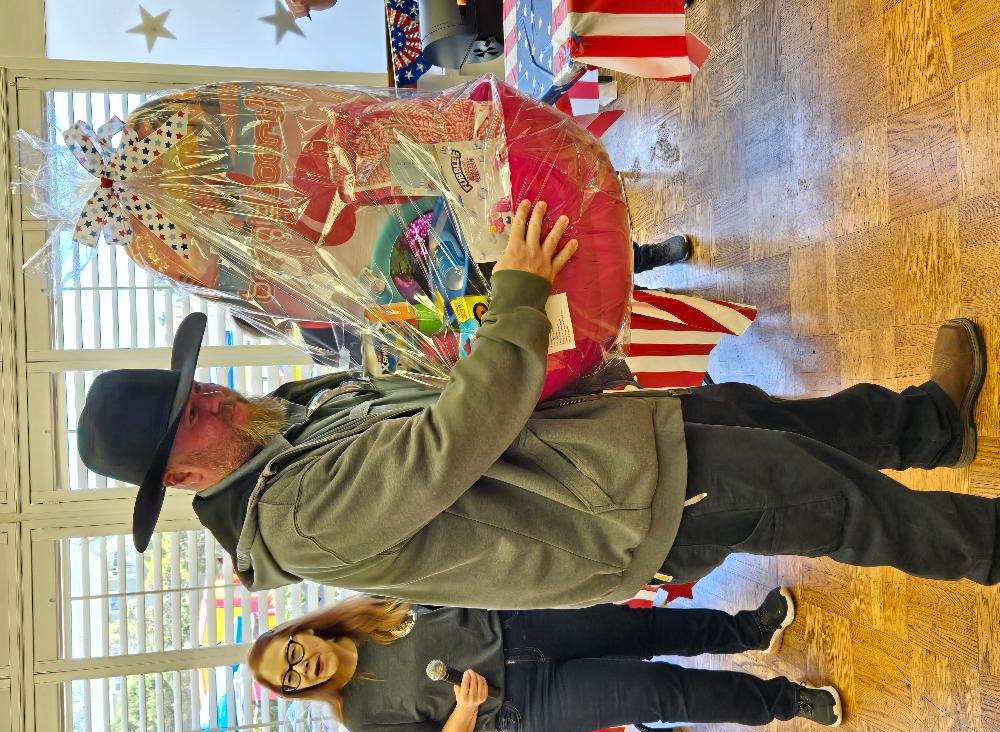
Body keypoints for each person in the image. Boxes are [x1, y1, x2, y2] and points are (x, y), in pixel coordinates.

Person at [77, 199, 995, 606]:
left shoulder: (283, 420)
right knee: (832, 503)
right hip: (615, 508)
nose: (209, 394)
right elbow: (449, 440)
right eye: (189, 415)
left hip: (605, 446)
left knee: (779, 421)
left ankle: (932, 425)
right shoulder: (290, 519)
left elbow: (412, 365)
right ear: (185, 475)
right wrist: (516, 293)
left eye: (191, 383)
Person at [247, 589, 841, 732]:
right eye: (291, 678)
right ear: (300, 691)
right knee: (661, 694)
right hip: (530, 701)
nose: (302, 667)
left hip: (526, 624)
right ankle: (788, 702)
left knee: (645, 628)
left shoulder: (370, 608)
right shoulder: (363, 719)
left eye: (292, 654)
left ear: (300, 633)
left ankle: (749, 631)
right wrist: (465, 709)